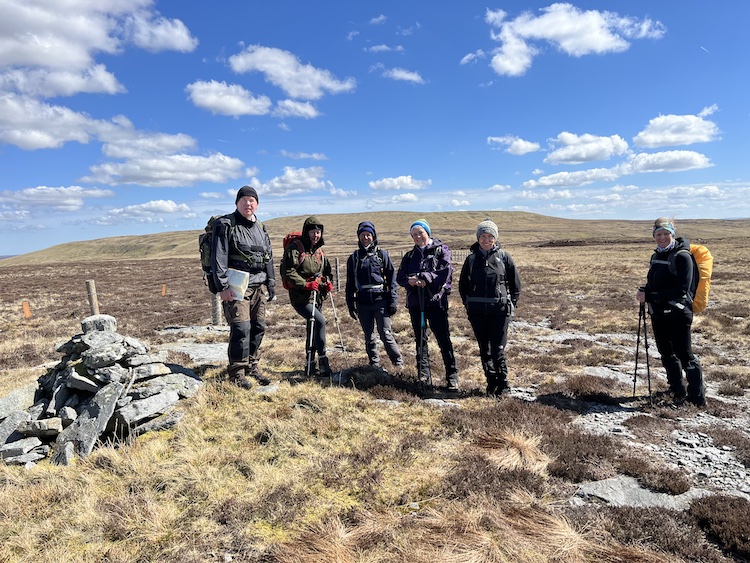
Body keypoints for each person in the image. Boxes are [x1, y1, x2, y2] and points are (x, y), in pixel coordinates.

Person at [211, 185, 275, 389]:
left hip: (258, 287)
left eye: (252, 200)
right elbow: (218, 257)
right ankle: (237, 372)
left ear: (257, 204)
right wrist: (222, 286)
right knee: (241, 328)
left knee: (258, 327)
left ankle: (252, 366)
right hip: (237, 287)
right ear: (237, 203)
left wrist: (271, 282)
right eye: (244, 200)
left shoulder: (261, 227)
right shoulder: (226, 225)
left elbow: (268, 257)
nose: (249, 203)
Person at [636, 217, 705, 406]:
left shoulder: (682, 256)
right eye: (658, 234)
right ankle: (676, 389)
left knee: (685, 354)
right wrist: (645, 290)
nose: (662, 237)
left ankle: (697, 398)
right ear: (654, 236)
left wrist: (651, 296)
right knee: (666, 352)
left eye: (666, 234)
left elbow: (682, 289)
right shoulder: (656, 256)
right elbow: (654, 282)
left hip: (678, 312)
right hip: (658, 312)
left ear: (672, 234)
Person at [459, 219, 521, 397]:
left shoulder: (504, 257)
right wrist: (469, 306)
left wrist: (511, 305)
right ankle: (491, 384)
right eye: (483, 236)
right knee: (484, 349)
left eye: (490, 236)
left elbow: (515, 285)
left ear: (495, 238)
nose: (486, 240)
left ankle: (504, 385)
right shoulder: (471, 260)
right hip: (477, 313)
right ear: (478, 238)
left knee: (498, 349)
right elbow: (463, 286)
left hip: (500, 312)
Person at [396, 219, 458, 392]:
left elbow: (444, 273)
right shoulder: (409, 256)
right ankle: (423, 375)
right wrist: (411, 281)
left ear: (427, 233)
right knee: (420, 340)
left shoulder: (441, 251)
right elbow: (400, 278)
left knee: (443, 340)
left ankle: (452, 377)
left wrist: (424, 278)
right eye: (414, 235)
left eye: (420, 233)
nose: (417, 237)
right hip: (416, 304)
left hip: (435, 302)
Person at [345, 221, 404, 372]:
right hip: (363, 303)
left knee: (385, 334)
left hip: (381, 301)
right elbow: (350, 283)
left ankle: (398, 364)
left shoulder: (382, 255)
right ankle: (374, 365)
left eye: (368, 235)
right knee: (369, 336)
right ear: (358, 237)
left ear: (373, 236)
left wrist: (393, 301)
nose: (366, 237)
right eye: (363, 235)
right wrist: (350, 304)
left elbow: (392, 279)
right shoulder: (354, 258)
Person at [280, 216, 334, 378]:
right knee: (320, 322)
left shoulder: (319, 252)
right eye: (313, 232)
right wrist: (305, 284)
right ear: (306, 232)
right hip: (301, 298)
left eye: (318, 232)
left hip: (318, 297)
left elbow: (327, 272)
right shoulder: (295, 249)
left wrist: (327, 282)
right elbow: (288, 272)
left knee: (313, 328)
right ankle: (323, 363)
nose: (315, 235)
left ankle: (310, 366)